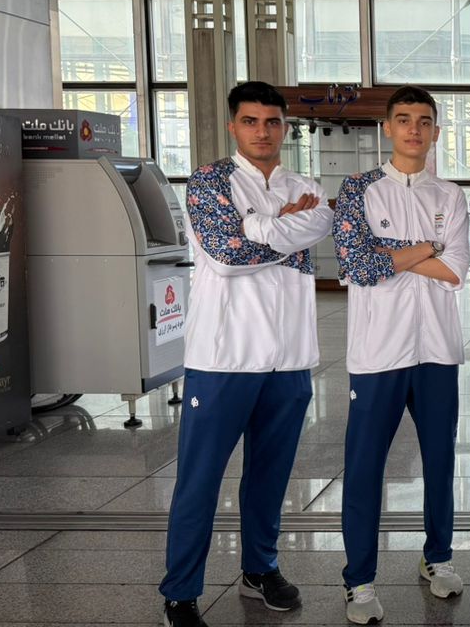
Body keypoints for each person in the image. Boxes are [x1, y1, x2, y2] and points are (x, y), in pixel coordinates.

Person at [160, 81, 332, 627]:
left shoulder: (305, 185)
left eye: (272, 122)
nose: (263, 131)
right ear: (233, 125)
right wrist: (285, 231)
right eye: (251, 121)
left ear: (285, 127)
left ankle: (260, 569)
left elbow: (318, 225)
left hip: (289, 358)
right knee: (200, 479)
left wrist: (258, 225)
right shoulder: (210, 181)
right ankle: (180, 593)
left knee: (271, 476)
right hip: (224, 357)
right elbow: (225, 256)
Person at [334, 85, 470, 624]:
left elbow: (455, 271)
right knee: (365, 468)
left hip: (437, 349)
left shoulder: (450, 197)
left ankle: (437, 557)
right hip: (378, 352)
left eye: (424, 120)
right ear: (387, 127)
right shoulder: (359, 190)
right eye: (405, 119)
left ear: (435, 131)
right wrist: (428, 248)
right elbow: (356, 265)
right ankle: (360, 580)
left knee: (440, 461)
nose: (415, 129)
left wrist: (391, 252)